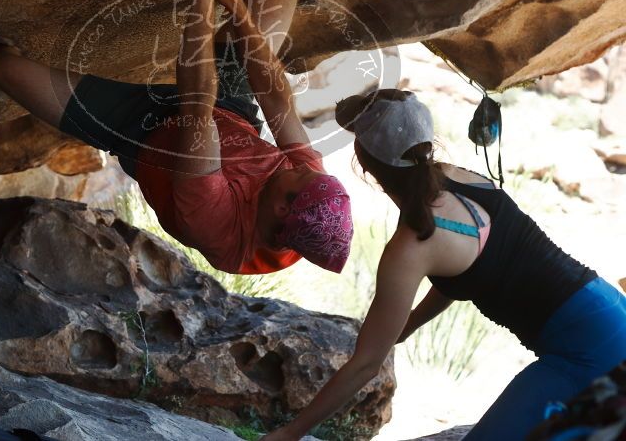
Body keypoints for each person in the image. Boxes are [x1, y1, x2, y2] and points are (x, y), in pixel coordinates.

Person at [0, 0, 353, 276]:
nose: (303, 165)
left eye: (298, 175)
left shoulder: (220, 227)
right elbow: (277, 99)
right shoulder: (314, 195)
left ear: (282, 208)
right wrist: (234, 4)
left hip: (142, 132)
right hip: (233, 115)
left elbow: (196, 105)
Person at [261, 88, 626, 440]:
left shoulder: (411, 246)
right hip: (609, 308)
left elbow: (365, 364)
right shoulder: (460, 177)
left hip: (588, 354)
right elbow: (466, 269)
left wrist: (291, 433)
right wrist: (409, 325)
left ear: (364, 161)